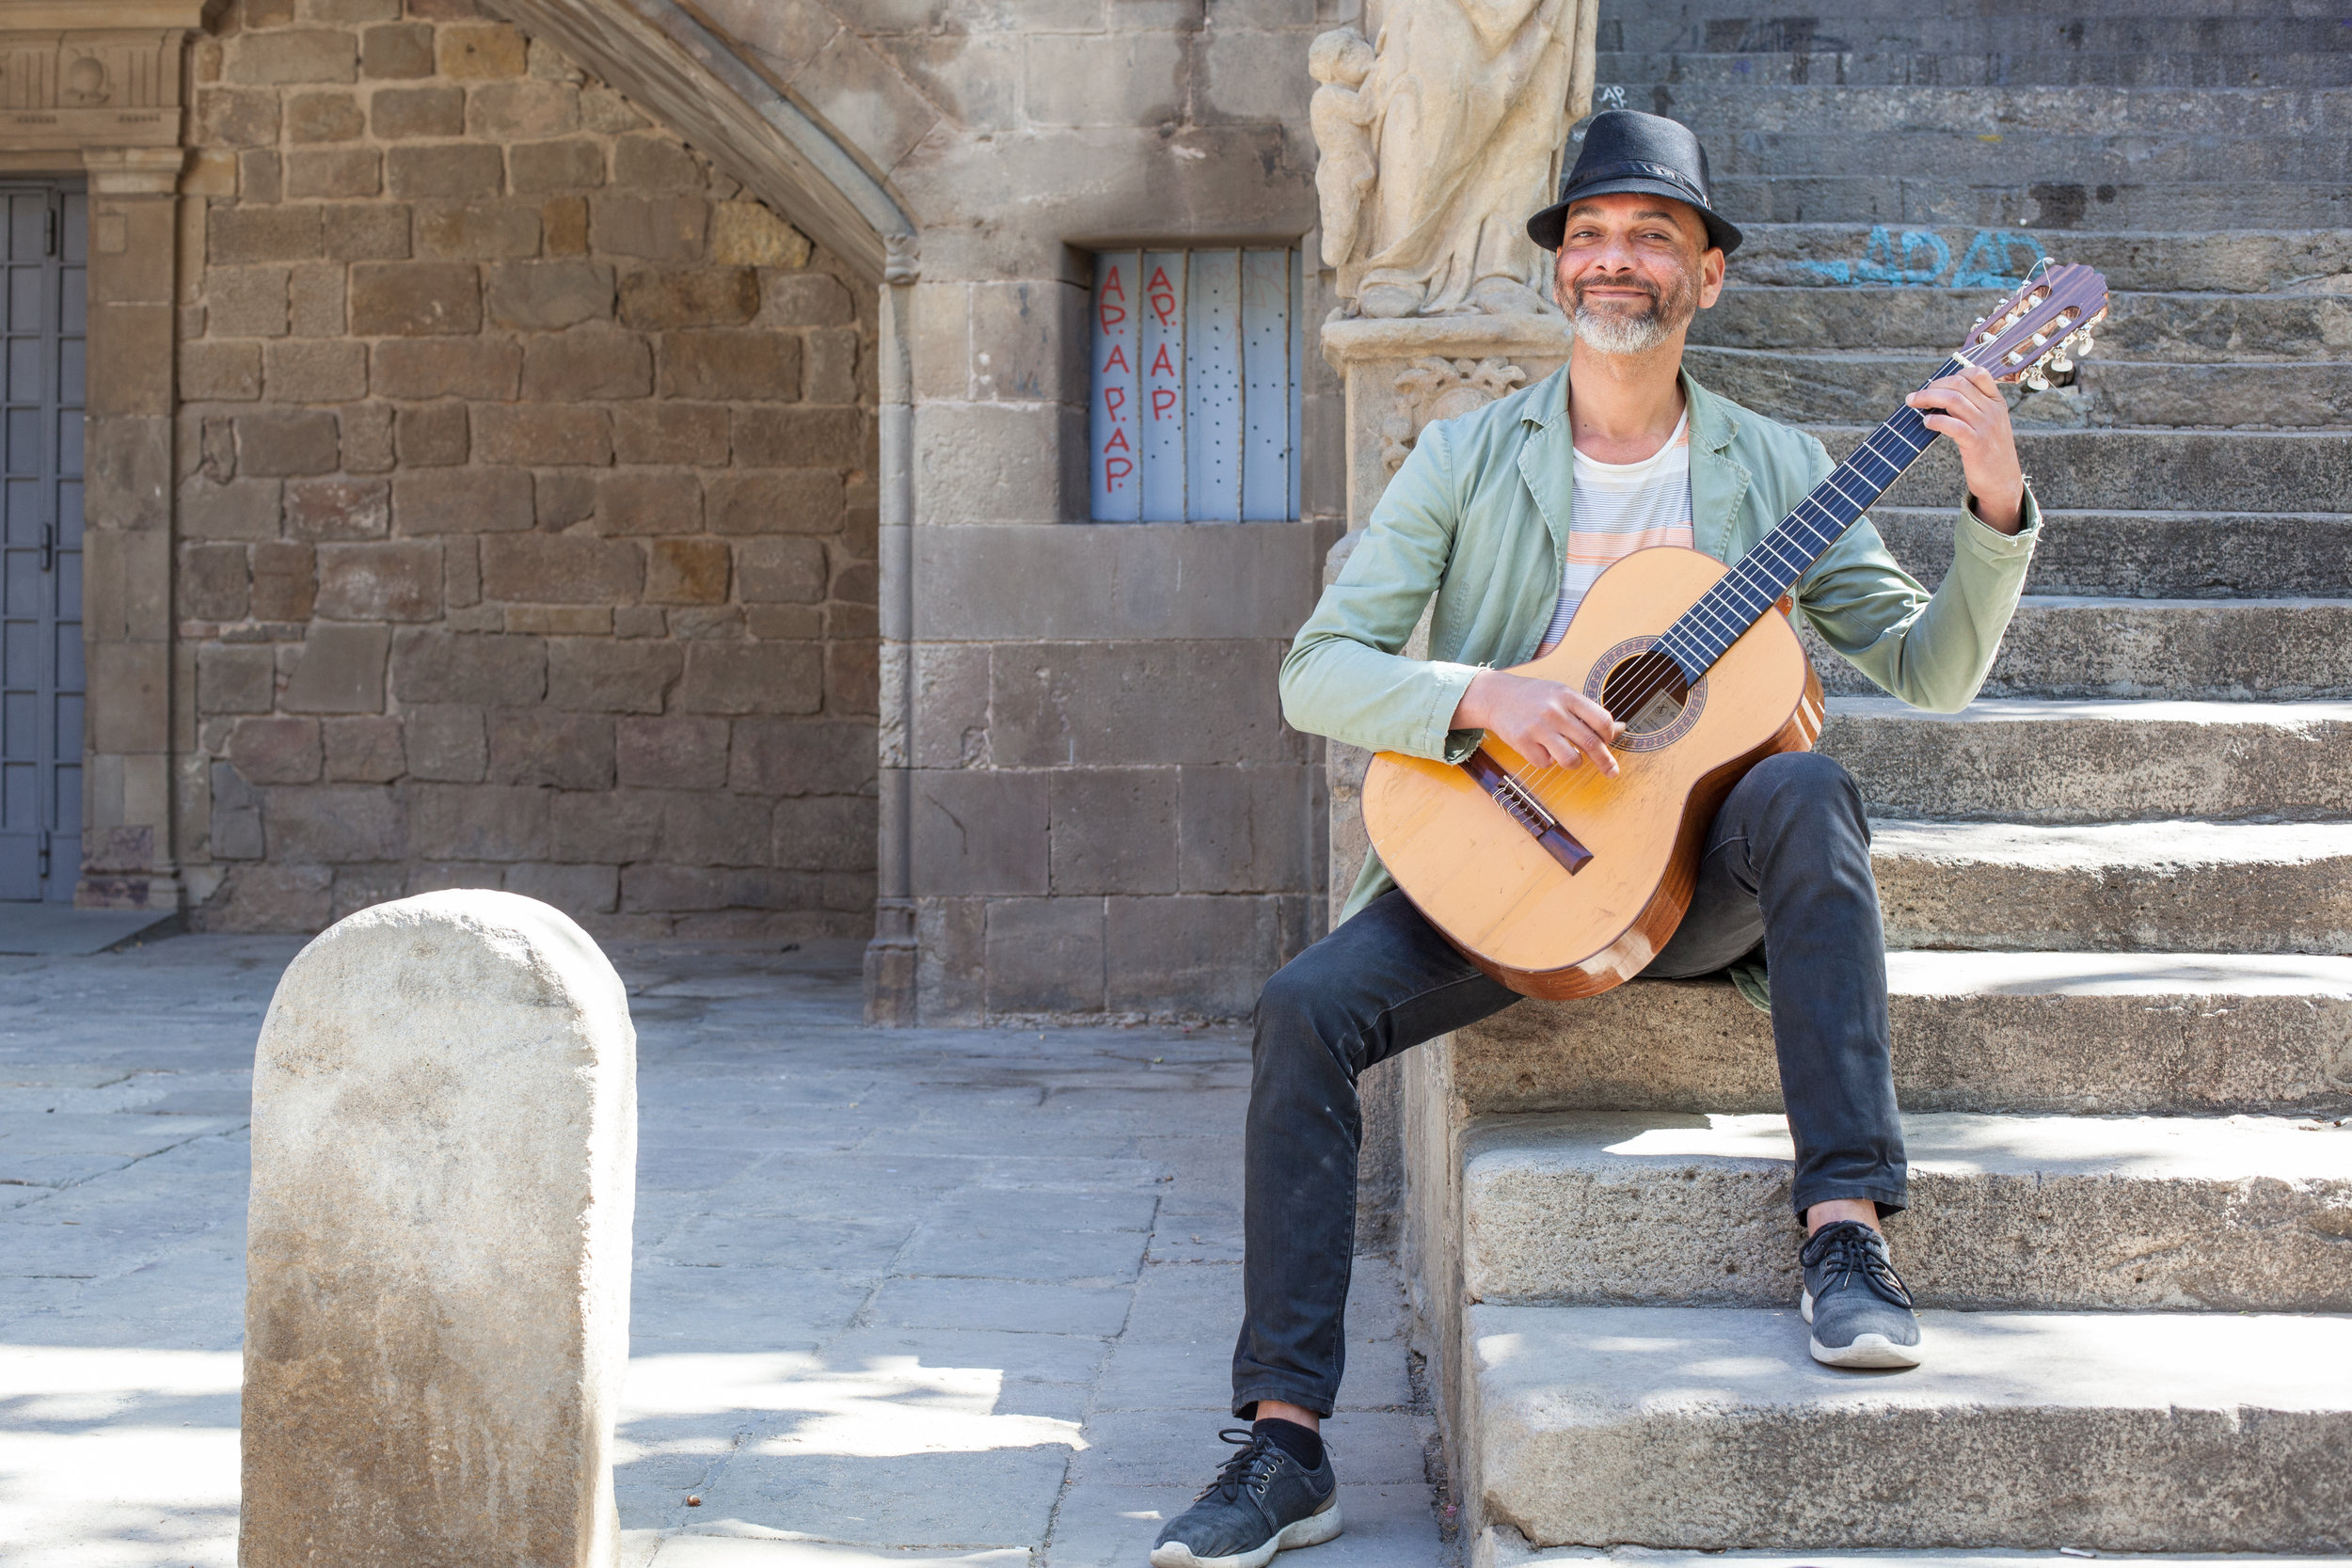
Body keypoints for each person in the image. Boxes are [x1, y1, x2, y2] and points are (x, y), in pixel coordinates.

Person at [1150, 111, 2042, 1568]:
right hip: (1514, 862)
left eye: (1652, 237)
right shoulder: (1462, 458)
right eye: (1592, 235)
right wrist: (1479, 693)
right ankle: (1285, 1442)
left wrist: (1994, 499)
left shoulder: (1779, 470)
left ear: (1709, 279)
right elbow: (1317, 670)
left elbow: (1930, 670)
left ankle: (1844, 1233)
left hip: (1702, 892)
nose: (1615, 260)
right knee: (1302, 1010)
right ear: (1560, 268)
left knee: (1810, 788)